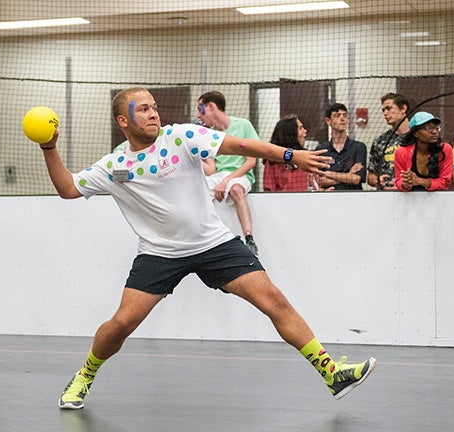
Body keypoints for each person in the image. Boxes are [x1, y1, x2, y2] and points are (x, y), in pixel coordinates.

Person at [36, 87, 376, 410]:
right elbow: (68, 188)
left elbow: (242, 145)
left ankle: (332, 373)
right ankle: (85, 375)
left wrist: (291, 155)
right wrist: (50, 149)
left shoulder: (180, 137)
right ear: (123, 121)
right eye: (143, 109)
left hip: (213, 244)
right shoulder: (115, 167)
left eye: (154, 107)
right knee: (123, 323)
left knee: (274, 300)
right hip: (159, 253)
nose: (153, 114)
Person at [196, 91, 260, 256]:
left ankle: (249, 239)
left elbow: (251, 161)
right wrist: (193, 156)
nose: (198, 115)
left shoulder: (243, 125)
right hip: (217, 177)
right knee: (194, 192)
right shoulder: (208, 135)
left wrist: (226, 181)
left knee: (236, 190)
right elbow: (211, 170)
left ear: (211, 107)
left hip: (240, 176)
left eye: (200, 109)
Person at [394, 111, 453, 191]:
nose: (434, 132)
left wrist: (420, 181)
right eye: (428, 128)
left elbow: (445, 182)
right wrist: (405, 183)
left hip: (439, 199)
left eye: (436, 128)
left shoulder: (445, 149)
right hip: (410, 200)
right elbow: (399, 181)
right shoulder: (401, 152)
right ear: (415, 133)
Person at [315, 103, 367, 191]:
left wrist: (329, 174)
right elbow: (319, 181)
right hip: (329, 199)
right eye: (337, 116)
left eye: (345, 115)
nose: (342, 119)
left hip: (354, 199)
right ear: (328, 121)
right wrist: (348, 176)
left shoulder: (359, 147)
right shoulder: (321, 149)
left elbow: (356, 179)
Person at [263, 114, 321, 192]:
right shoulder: (272, 161)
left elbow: (315, 185)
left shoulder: (308, 157)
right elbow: (268, 191)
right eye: (300, 128)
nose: (305, 131)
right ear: (291, 134)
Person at [368, 93, 411, 190]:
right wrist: (377, 180)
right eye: (383, 110)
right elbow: (370, 176)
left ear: (403, 108)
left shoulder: (418, 137)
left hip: (412, 194)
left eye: (389, 108)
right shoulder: (380, 141)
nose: (385, 113)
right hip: (386, 194)